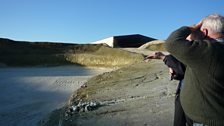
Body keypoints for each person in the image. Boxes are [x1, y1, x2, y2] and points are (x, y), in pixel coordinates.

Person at [165, 14, 224, 126]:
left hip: (207, 120)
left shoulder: (207, 51)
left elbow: (171, 43)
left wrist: (191, 28)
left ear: (204, 32)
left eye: (199, 29)